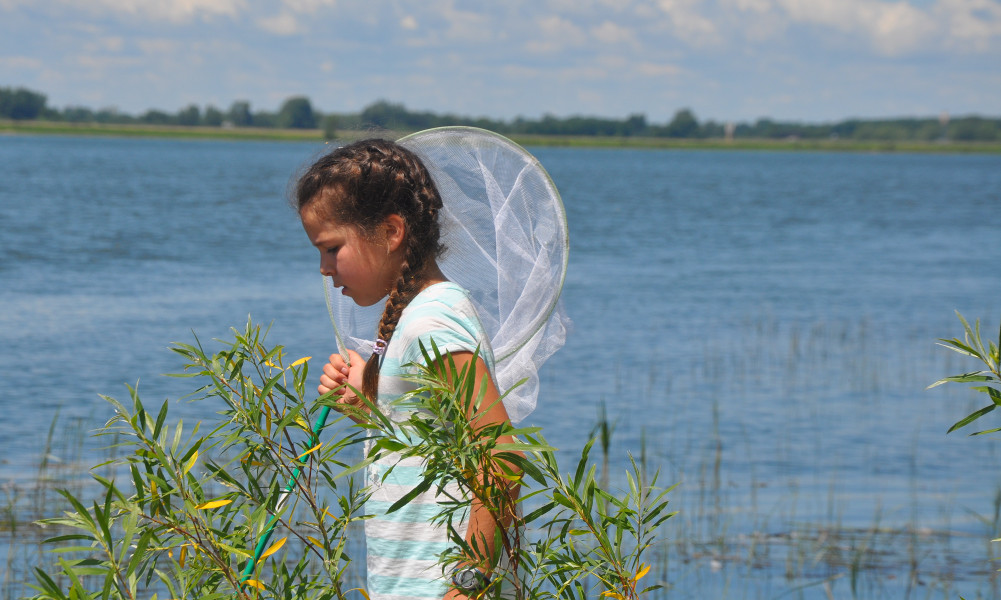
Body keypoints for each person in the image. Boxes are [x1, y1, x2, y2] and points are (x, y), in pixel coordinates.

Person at [294, 138, 518, 600]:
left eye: (332, 249)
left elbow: (502, 457)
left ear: (392, 232)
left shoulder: (432, 321)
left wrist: (468, 582)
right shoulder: (413, 318)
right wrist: (369, 409)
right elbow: (426, 442)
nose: (323, 268)